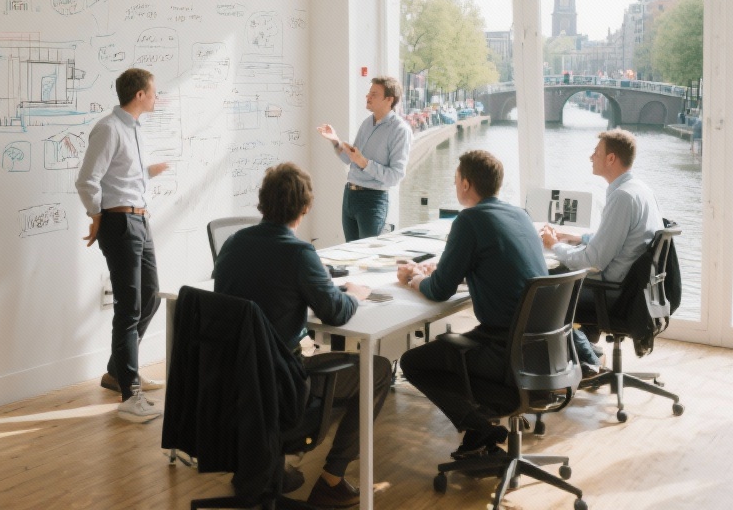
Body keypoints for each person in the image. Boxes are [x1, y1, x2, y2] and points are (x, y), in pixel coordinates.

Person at [213, 162, 392, 509]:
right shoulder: (298, 253)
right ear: (306, 207)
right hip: (281, 387)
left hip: (230, 385)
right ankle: (332, 479)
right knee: (378, 370)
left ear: (262, 201)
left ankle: (262, 466)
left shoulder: (233, 244)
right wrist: (355, 294)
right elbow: (336, 313)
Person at [396, 150, 586, 457]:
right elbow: (497, 264)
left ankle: (481, 428)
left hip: (504, 351)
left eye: (456, 180)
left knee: (413, 362)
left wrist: (414, 278)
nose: (455, 184)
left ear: (466, 184)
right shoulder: (520, 215)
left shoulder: (469, 220)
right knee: (452, 347)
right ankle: (478, 433)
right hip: (543, 351)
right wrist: (445, 270)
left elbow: (440, 290)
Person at [75, 68, 170, 423]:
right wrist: (96, 216)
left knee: (151, 296)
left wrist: (149, 172)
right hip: (120, 223)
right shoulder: (109, 128)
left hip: (140, 220)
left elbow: (123, 176)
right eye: (154, 91)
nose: (157, 97)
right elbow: (87, 180)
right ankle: (130, 394)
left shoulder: (134, 129)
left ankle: (118, 371)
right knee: (129, 308)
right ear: (140, 95)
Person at [539, 130, 664, 353]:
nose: (591, 157)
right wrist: (577, 238)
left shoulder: (622, 197)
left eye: (596, 152)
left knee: (541, 290)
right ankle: (585, 346)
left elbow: (593, 260)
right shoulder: (640, 190)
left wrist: (554, 245)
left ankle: (581, 355)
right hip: (631, 289)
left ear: (611, 158)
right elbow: (620, 239)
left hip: (611, 292)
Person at [316, 76, 412, 241]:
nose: (368, 97)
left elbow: (395, 176)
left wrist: (365, 163)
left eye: (374, 94)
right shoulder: (367, 123)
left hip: (372, 200)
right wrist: (335, 141)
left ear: (389, 99)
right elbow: (350, 159)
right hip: (350, 196)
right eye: (369, 93)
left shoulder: (400, 130)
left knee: (367, 253)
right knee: (350, 250)